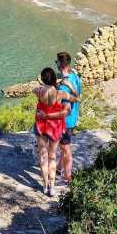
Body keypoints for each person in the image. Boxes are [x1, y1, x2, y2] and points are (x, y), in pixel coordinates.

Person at [33, 67, 70, 197]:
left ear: (43, 79)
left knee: (43, 156)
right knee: (52, 156)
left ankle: (45, 185)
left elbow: (34, 89)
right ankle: (52, 187)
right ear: (54, 79)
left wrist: (40, 82)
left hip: (41, 126)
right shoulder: (60, 94)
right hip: (55, 127)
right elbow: (72, 98)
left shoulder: (39, 91)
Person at [55, 52, 81, 186]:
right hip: (73, 119)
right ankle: (58, 169)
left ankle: (67, 178)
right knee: (63, 147)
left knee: (66, 150)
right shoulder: (75, 77)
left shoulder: (64, 86)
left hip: (65, 122)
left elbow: (66, 109)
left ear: (60, 64)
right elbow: (78, 96)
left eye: (56, 62)